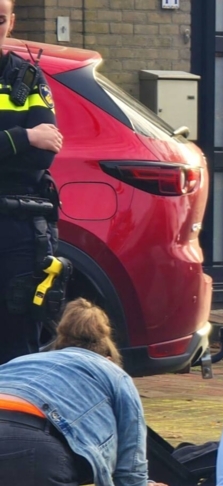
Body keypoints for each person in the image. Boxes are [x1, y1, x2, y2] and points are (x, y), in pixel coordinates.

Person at [0, 299, 151, 486]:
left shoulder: (22, 361)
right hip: (26, 446)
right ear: (108, 353)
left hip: (21, 451)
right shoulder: (114, 376)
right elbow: (131, 473)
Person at [0, 0, 64, 364]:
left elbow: (45, 155)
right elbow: (34, 144)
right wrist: (24, 137)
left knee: (19, 351)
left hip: (19, 231)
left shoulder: (26, 77)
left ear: (11, 22)